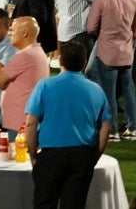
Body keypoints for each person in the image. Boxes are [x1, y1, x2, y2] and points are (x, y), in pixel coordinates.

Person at [25, 40, 111, 209]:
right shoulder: (96, 90)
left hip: (51, 155)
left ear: (60, 60)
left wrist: (33, 155)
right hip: (82, 154)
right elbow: (106, 126)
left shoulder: (44, 86)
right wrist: (95, 155)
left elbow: (30, 123)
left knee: (44, 203)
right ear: (84, 62)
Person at [85, 0, 136, 138]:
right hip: (126, 52)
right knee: (128, 89)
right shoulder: (131, 0)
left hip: (107, 52)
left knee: (109, 91)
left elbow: (91, 27)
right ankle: (133, 128)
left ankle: (112, 131)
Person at [0, 16, 50, 136]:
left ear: (24, 33)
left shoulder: (25, 55)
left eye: (13, 29)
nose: (9, 33)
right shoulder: (38, 52)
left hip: (18, 125)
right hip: (26, 121)